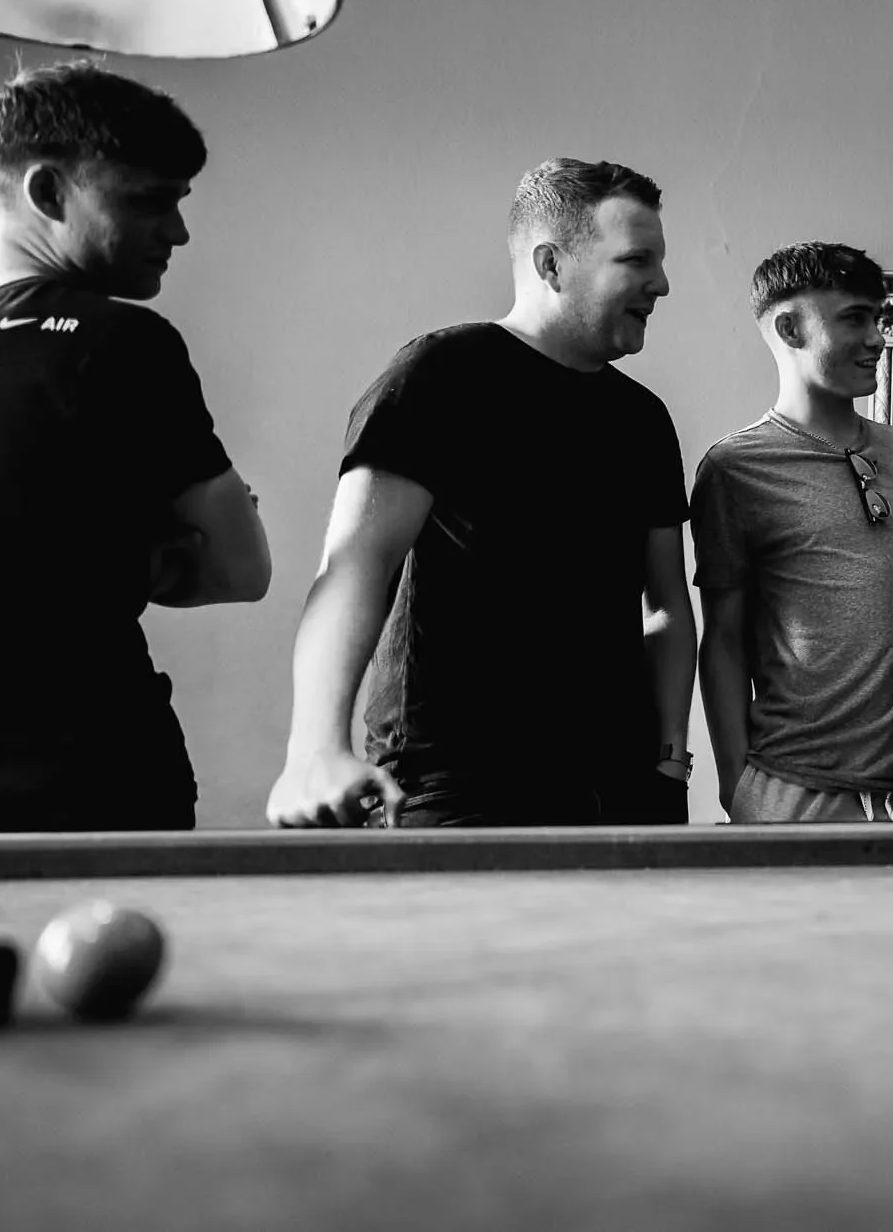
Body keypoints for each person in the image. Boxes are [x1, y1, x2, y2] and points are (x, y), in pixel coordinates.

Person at [266, 159, 694, 828]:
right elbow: (357, 563)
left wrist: (670, 762)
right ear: (552, 265)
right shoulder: (439, 374)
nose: (661, 283)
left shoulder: (643, 417)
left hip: (618, 787)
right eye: (637, 259)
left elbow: (665, 603)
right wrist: (314, 750)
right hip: (456, 785)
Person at [0, 64, 270, 832]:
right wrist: (137, 552)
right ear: (47, 193)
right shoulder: (122, 343)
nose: (177, 231)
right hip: (97, 783)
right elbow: (242, 567)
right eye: (150, 201)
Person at [690, 242, 893, 823]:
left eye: (879, 318)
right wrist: (734, 784)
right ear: (790, 327)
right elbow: (723, 638)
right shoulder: (734, 468)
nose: (876, 337)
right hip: (795, 797)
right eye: (854, 318)